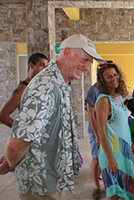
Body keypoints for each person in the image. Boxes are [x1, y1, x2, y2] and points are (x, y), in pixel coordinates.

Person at [2, 34, 104, 199]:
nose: (87, 67)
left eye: (90, 62)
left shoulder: (60, 82)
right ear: (67, 53)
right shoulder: (45, 87)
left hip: (52, 177)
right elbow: (15, 146)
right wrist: (13, 160)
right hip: (41, 183)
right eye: (84, 60)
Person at [95, 62, 134, 200]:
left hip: (123, 151)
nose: (114, 78)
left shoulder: (119, 97)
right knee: (115, 193)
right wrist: (109, 158)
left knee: (128, 191)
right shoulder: (103, 100)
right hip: (112, 153)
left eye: (115, 74)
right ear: (102, 80)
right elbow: (101, 131)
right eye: (109, 77)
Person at [0, 53, 48, 128]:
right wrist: (20, 131)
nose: (45, 69)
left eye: (46, 66)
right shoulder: (22, 88)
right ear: (31, 66)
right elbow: (2, 115)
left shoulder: (37, 87)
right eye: (41, 65)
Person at [85, 66, 102, 200]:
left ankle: (109, 185)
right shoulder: (93, 90)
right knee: (96, 158)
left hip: (108, 130)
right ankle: (97, 187)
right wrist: (97, 134)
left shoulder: (110, 89)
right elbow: (91, 115)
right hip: (96, 130)